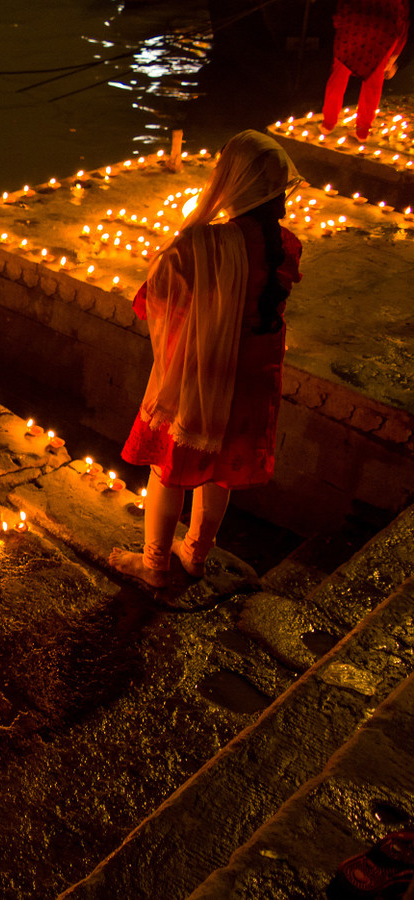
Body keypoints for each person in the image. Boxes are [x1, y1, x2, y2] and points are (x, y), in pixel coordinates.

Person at [109, 130, 303, 589]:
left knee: (169, 468)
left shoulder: (199, 244)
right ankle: (196, 554)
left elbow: (152, 299)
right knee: (221, 470)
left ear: (232, 181)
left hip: (202, 375)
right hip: (255, 375)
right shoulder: (286, 244)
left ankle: (154, 562)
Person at [321, 0, 409, 141]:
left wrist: (340, 23)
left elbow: (343, 6)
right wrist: (393, 57)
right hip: (383, 31)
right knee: (373, 83)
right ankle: (362, 132)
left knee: (339, 75)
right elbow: (402, 18)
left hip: (354, 27)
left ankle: (328, 124)